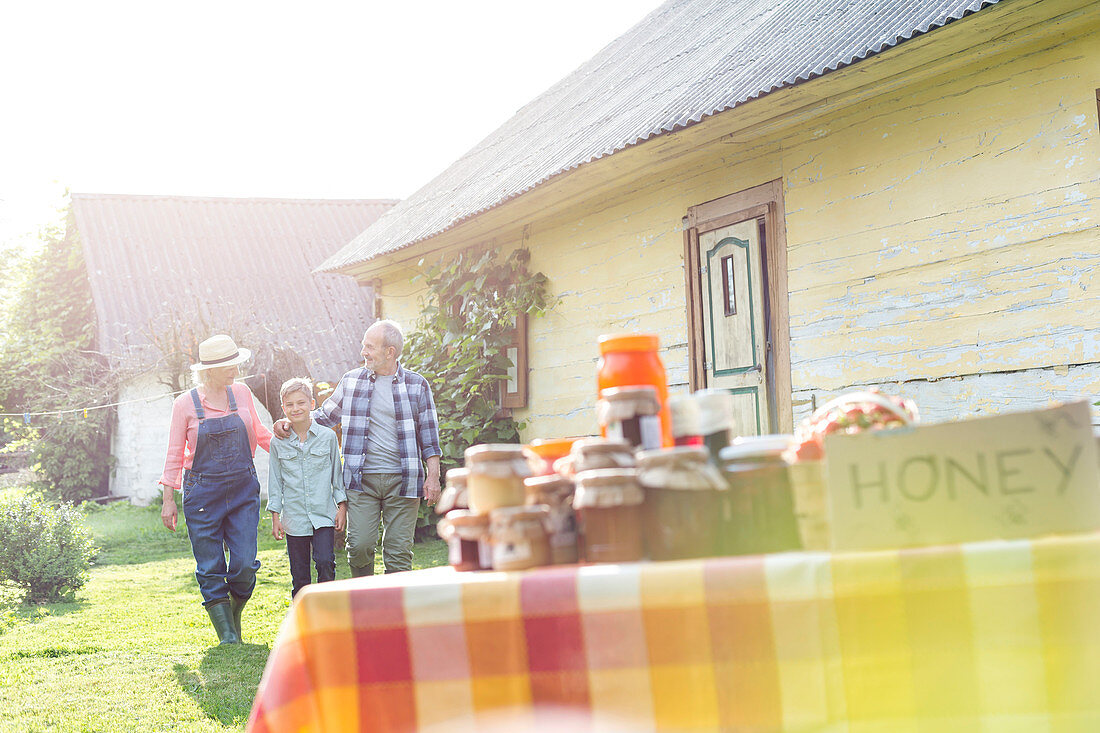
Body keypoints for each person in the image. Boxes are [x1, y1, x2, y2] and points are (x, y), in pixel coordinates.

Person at [273, 320, 441, 575]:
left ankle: (393, 612)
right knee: (360, 547)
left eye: (369, 346)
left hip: (404, 480)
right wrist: (290, 421)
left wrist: (434, 477)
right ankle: (364, 605)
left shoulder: (417, 385)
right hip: (361, 481)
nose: (363, 351)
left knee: (398, 555)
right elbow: (325, 416)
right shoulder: (351, 381)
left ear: (390, 352)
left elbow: (429, 437)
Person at [160, 334, 272, 645]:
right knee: (210, 565)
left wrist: (289, 443)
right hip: (202, 493)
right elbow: (173, 453)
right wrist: (169, 499)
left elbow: (260, 432)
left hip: (242, 488)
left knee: (244, 563)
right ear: (209, 370)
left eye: (235, 363)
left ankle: (232, 616)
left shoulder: (242, 392)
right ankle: (227, 635)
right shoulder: (184, 404)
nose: (235, 369)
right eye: (228, 365)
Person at [267, 377, 347, 597]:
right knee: (300, 575)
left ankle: (328, 612)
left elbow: (336, 476)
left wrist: (342, 506)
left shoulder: (328, 437)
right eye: (290, 404)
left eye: (301, 403)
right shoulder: (277, 443)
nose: (296, 408)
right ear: (283, 408)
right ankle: (303, 622)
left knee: (325, 563)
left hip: (323, 514)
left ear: (312, 404)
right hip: (294, 518)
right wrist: (275, 515)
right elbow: (275, 481)